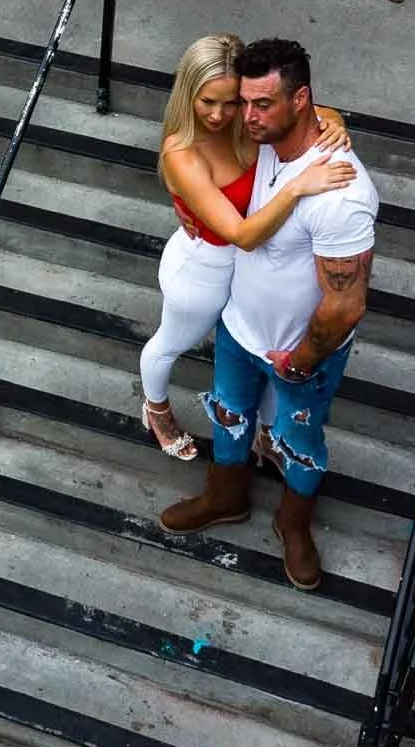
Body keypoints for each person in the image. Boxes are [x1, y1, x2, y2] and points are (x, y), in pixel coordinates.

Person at [159, 37, 378, 595]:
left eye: (261, 105)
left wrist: (303, 359)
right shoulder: (262, 142)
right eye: (243, 103)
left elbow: (346, 302)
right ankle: (225, 497)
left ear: (300, 100)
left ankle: (294, 523)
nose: (246, 117)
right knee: (230, 414)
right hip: (239, 326)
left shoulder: (339, 191)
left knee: (299, 441)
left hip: (302, 349)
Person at [140, 33, 356, 461]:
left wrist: (334, 121)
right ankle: (156, 407)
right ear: (189, 96)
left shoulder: (247, 117)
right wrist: (297, 188)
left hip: (249, 268)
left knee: (258, 350)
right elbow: (241, 233)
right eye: (208, 102)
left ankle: (262, 435)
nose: (221, 115)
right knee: (170, 343)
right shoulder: (182, 151)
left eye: (232, 102)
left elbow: (300, 107)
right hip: (206, 265)